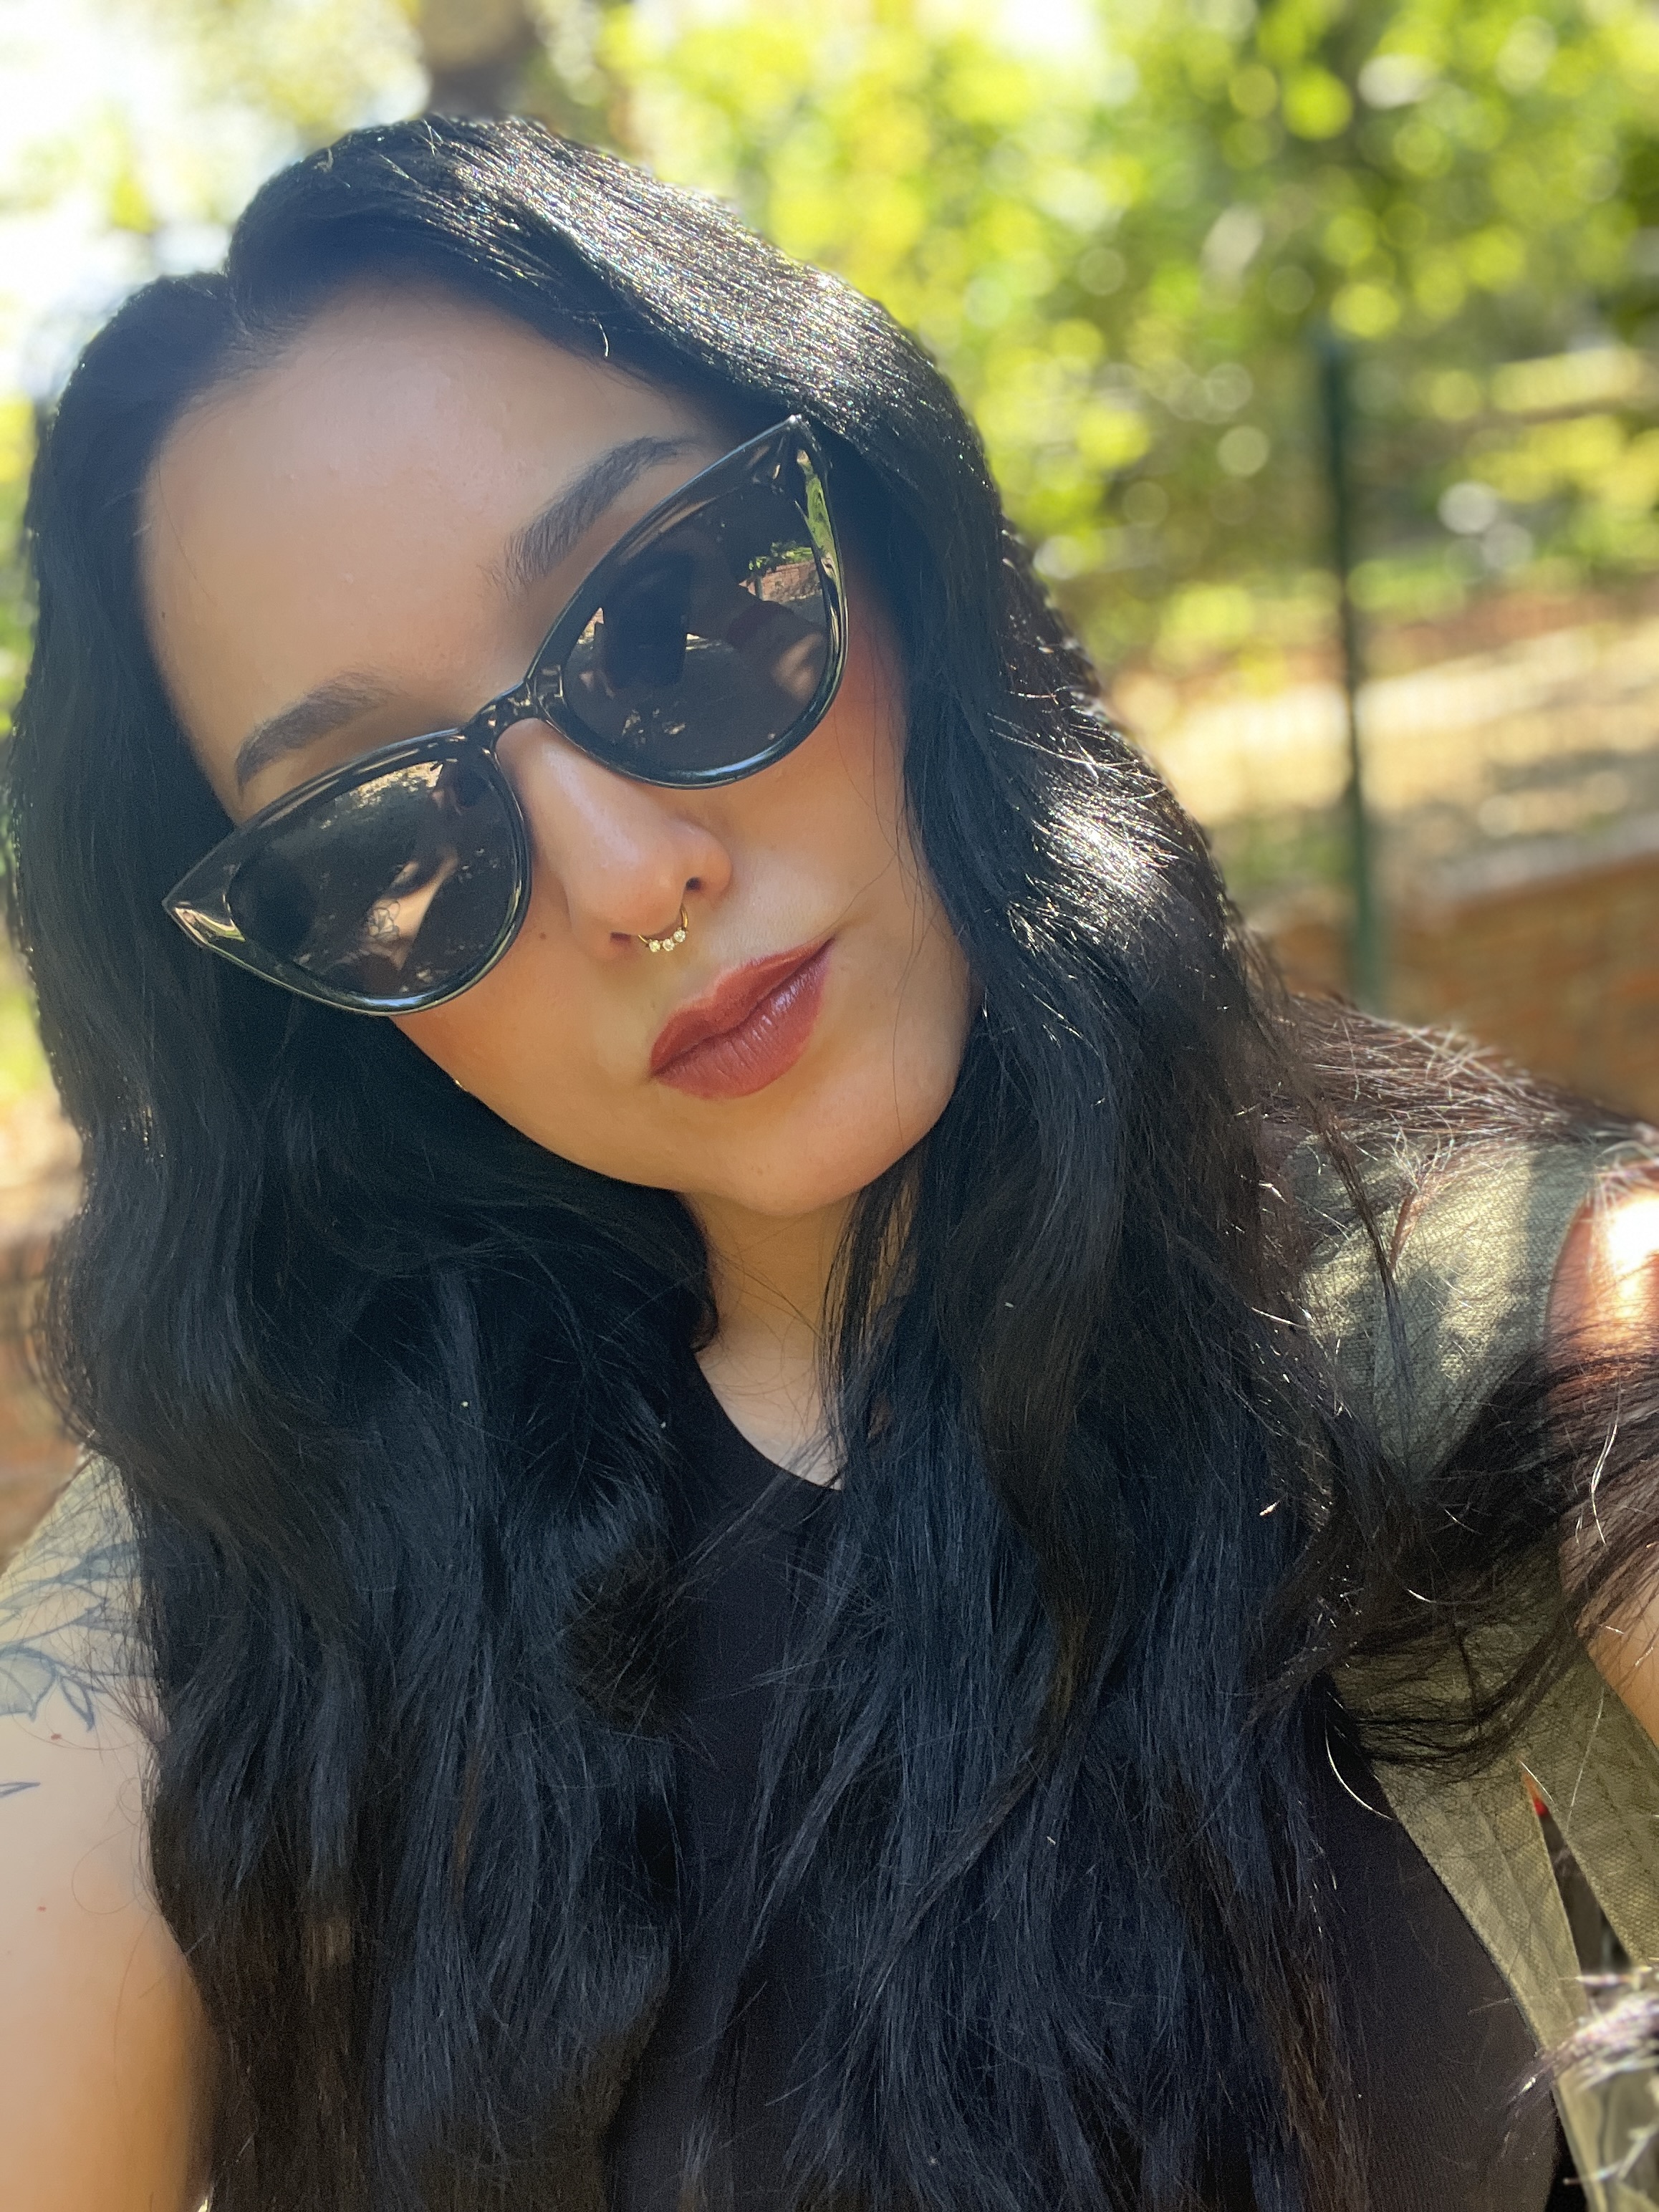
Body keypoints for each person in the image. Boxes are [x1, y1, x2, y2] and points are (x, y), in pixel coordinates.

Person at [1, 114, 1658, 2212]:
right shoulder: (241, 1575)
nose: (631, 877)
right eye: (384, 839)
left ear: (882, 534)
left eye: (672, 612)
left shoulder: (1521, 1327)